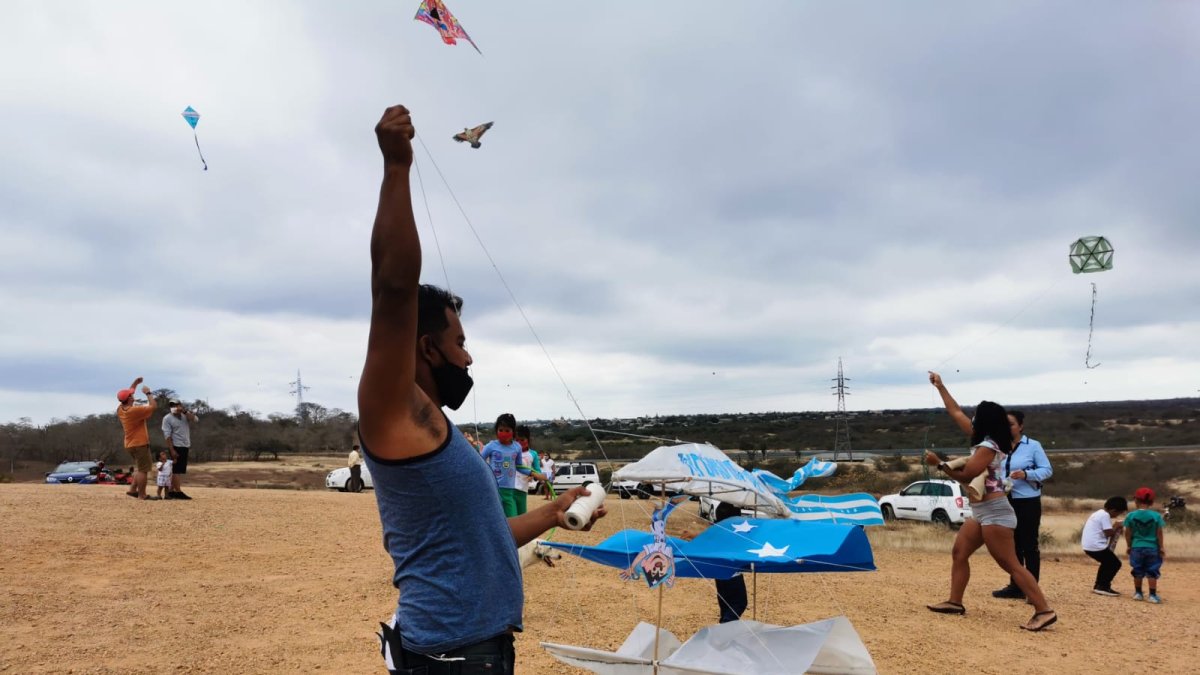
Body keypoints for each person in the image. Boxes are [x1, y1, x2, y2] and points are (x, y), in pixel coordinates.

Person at [356, 103, 606, 674]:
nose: (469, 357)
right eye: (460, 342)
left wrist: (554, 511)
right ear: (426, 348)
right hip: (451, 660)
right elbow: (394, 288)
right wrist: (397, 167)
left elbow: (486, 538)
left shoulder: (437, 434)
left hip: (478, 652)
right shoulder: (394, 413)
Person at [923, 372, 1056, 631]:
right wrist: (941, 387)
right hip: (982, 510)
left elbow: (967, 474)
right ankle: (955, 602)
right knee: (959, 553)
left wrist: (939, 464)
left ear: (984, 420)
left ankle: (1044, 610)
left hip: (995, 511)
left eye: (976, 415)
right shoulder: (983, 439)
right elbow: (955, 412)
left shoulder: (989, 446)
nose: (971, 417)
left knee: (1010, 564)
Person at [991, 410, 1053, 599]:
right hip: (1005, 500)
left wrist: (1027, 475)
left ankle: (1032, 590)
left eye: (1010, 424)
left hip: (1027, 501)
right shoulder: (997, 447)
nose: (1006, 428)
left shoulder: (1033, 446)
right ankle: (1016, 586)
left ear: (1020, 426)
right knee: (1012, 545)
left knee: (1029, 545)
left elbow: (1047, 470)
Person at [480, 414, 533, 517]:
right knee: (495, 518)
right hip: (493, 489)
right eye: (500, 430)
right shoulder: (491, 446)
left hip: (509, 492)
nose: (503, 433)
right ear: (496, 430)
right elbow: (480, 461)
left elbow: (519, 466)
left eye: (507, 430)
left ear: (513, 431)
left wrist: (533, 473)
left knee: (512, 519)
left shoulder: (517, 447)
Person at [116, 377, 157, 500]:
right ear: (129, 399)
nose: (132, 395)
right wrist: (148, 393)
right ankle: (142, 494)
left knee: (139, 467)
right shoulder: (134, 411)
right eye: (131, 395)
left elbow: (130, 392)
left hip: (130, 444)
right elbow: (153, 406)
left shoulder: (120, 409)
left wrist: (135, 383)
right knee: (143, 470)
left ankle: (133, 490)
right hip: (140, 443)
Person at [1125, 487, 1165, 603]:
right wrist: (1161, 547)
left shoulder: (1130, 516)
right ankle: (1152, 595)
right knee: (1152, 571)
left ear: (1136, 500)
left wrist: (1129, 545)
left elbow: (1127, 533)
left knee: (1137, 570)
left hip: (1136, 547)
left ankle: (1138, 593)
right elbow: (1159, 533)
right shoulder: (1156, 516)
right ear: (1151, 502)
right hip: (1152, 547)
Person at [1082, 496, 1127, 596]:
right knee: (1115, 564)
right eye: (1118, 513)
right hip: (1096, 547)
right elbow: (1108, 533)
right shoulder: (1105, 515)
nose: (1117, 515)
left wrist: (1115, 527)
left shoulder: (1098, 513)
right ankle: (1103, 586)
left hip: (1089, 546)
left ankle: (1099, 586)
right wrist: (1117, 526)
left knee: (1107, 563)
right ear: (1113, 510)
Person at [713, 502, 749, 622]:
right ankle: (726, 623)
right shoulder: (735, 532)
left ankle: (725, 627)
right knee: (739, 602)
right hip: (733, 573)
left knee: (726, 604)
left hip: (719, 573)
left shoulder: (717, 530)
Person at [161, 399, 198, 500]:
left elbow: (195, 419)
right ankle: (178, 492)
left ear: (180, 405)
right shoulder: (167, 418)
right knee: (176, 470)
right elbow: (167, 435)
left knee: (179, 470)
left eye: (176, 405)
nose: (174, 407)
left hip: (185, 445)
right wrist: (172, 450)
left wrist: (185, 411)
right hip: (176, 446)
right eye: (172, 406)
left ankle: (171, 491)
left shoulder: (184, 415)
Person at [515, 425, 543, 513]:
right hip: (509, 487)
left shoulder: (533, 454)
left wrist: (533, 476)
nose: (519, 443)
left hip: (522, 488)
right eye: (516, 440)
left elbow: (537, 471)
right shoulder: (510, 451)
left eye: (522, 440)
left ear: (528, 439)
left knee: (522, 513)